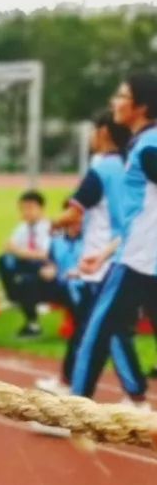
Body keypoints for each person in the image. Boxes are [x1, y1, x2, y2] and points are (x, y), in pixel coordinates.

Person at [70, 75, 157, 405]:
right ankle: (134, 397)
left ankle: (75, 412)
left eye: (122, 95)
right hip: (142, 255)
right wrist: (107, 252)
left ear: (141, 106)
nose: (114, 102)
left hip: (137, 260)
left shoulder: (148, 146)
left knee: (97, 332)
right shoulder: (145, 143)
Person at [0, 190, 53, 338]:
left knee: (26, 280)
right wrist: (16, 251)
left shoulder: (49, 228)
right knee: (4, 260)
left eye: (30, 208)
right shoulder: (22, 228)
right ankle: (14, 297)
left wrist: (20, 252)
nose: (26, 212)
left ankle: (33, 324)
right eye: (23, 209)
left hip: (46, 268)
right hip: (27, 265)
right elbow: (10, 247)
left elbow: (45, 255)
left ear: (41, 208)